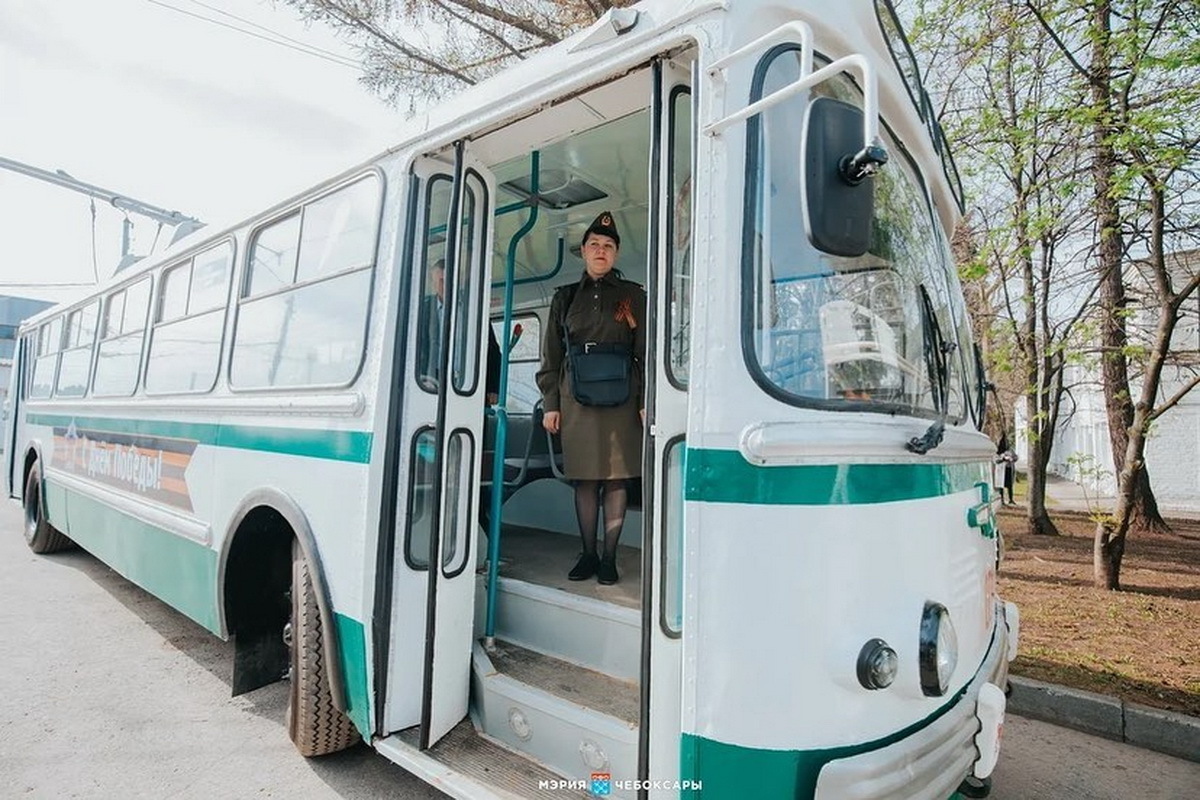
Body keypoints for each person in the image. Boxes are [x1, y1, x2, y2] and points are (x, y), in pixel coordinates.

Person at [537, 211, 646, 586]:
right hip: (576, 396)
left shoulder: (633, 296)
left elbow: (646, 350)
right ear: (583, 251)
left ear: (616, 254)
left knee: (616, 480)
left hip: (623, 395)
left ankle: (609, 559)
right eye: (595, 245)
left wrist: (646, 399)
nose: (601, 251)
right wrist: (551, 402)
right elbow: (551, 354)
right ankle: (588, 553)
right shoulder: (565, 298)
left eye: (609, 246)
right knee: (585, 479)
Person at [417, 258, 501, 402]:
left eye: (450, 279)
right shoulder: (422, 310)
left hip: (470, 381)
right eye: (441, 281)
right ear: (433, 283)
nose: (446, 285)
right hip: (431, 382)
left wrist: (493, 388)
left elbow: (491, 349)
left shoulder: (474, 306)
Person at [994, 433, 1016, 505]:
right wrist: (1003, 459)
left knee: (1009, 485)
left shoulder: (1010, 451)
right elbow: (995, 460)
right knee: (1001, 485)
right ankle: (1002, 500)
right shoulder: (997, 452)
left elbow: (1016, 457)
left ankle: (1011, 499)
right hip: (1001, 470)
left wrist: (1012, 459)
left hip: (1008, 469)